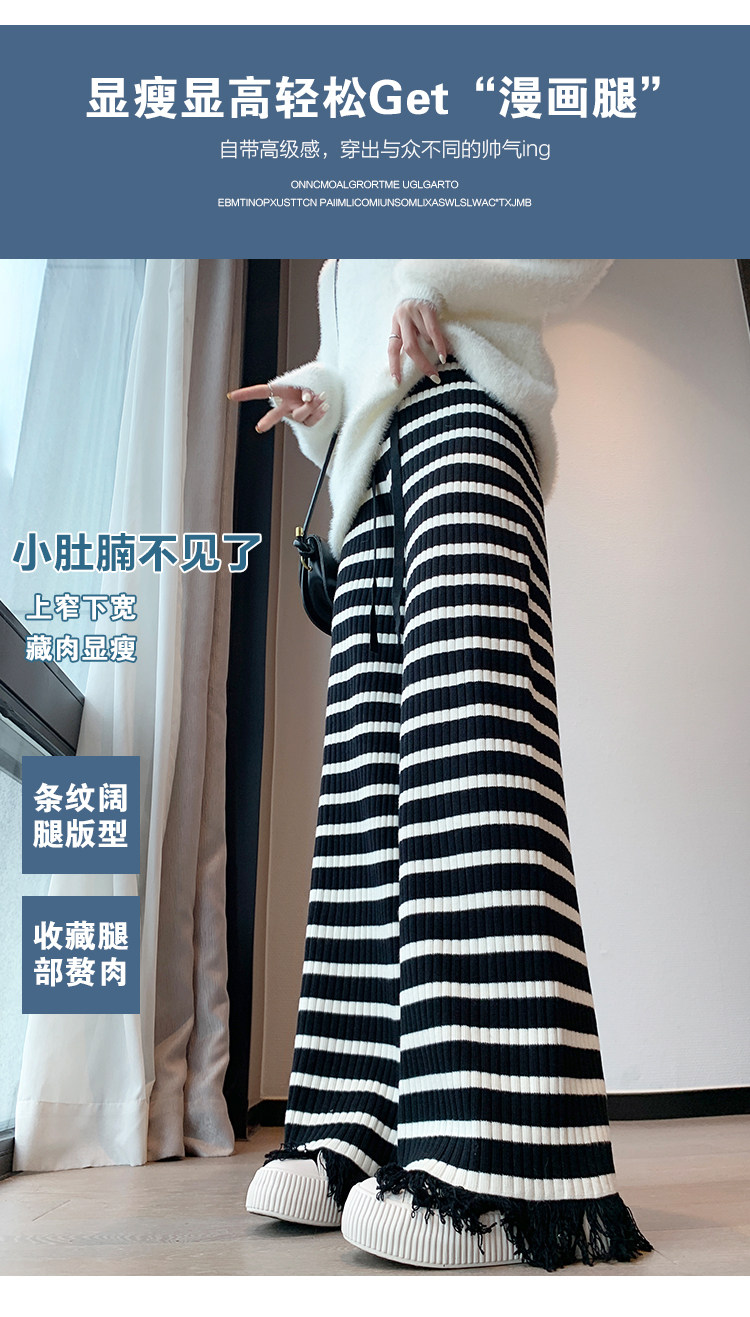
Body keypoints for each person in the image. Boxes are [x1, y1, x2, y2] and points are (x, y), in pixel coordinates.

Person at [230, 259, 653, 1272]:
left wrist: (429, 279)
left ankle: (508, 1159)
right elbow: (358, 352)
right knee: (366, 800)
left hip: (467, 413)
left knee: (476, 767)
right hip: (366, 478)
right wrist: (319, 397)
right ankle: (362, 1117)